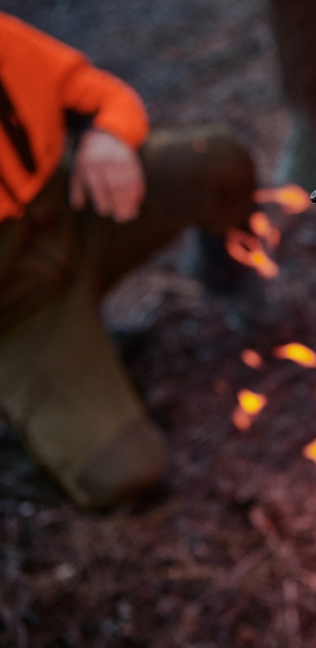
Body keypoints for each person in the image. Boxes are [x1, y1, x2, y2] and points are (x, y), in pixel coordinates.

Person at [0, 12, 258, 510]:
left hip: (74, 213)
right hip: (19, 314)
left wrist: (109, 136)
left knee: (213, 160)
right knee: (123, 474)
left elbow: (97, 92)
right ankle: (36, 396)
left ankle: (229, 280)